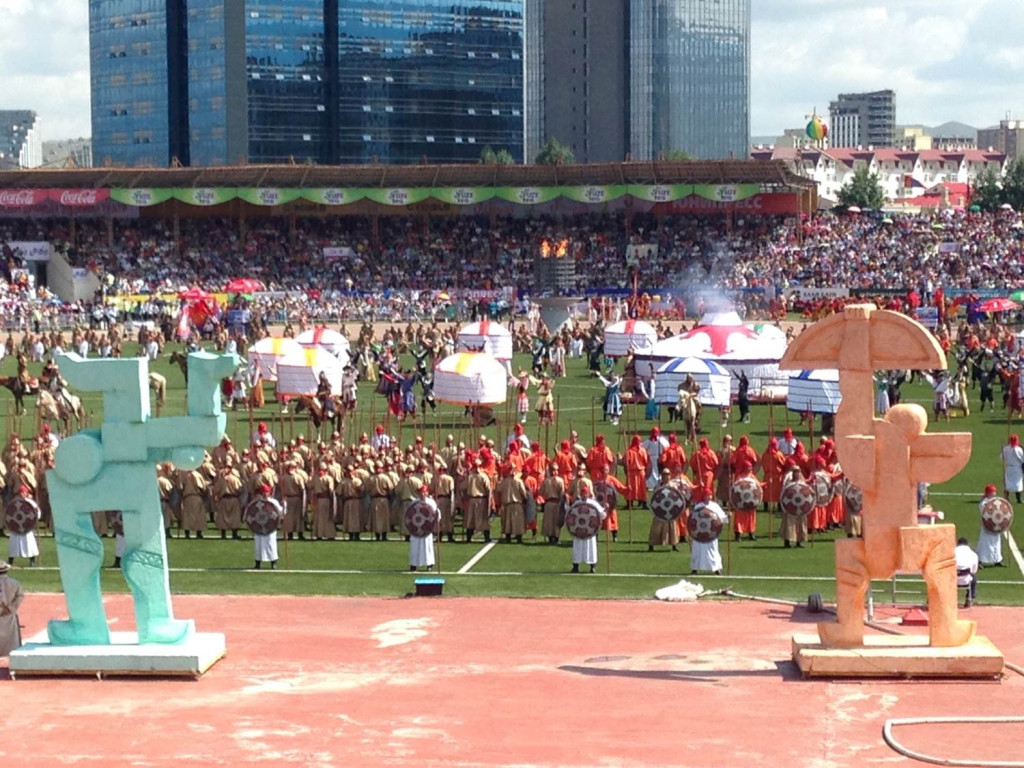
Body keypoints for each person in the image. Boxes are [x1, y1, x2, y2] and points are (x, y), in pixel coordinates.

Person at [570, 484, 606, 574]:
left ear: (588, 494)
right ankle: (575, 566)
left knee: (591, 548)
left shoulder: (593, 504)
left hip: (589, 531)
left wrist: (606, 509)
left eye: (586, 493)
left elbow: (602, 515)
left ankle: (592, 567)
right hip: (578, 531)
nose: (584, 495)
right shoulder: (577, 504)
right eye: (583, 493)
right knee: (577, 548)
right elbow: (571, 515)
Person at [689, 488, 725, 575]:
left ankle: (716, 569)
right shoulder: (699, 506)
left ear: (711, 496)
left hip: (711, 534)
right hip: (699, 534)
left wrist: (727, 516)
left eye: (709, 495)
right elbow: (693, 518)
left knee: (713, 551)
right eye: (706, 495)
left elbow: (721, 518)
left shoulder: (715, 506)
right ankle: (695, 569)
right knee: (697, 551)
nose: (707, 497)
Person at [251, 485, 283, 570]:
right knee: (258, 545)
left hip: (270, 527)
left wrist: (284, 506)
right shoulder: (257, 502)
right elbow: (252, 512)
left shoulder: (273, 502)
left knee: (271, 544)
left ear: (269, 492)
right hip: (259, 526)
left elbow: (280, 512)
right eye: (264, 492)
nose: (265, 494)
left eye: (267, 492)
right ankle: (258, 563)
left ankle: (273, 563)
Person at [7, 486, 40, 567]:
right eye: (21, 492)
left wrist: (35, 518)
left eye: (23, 492)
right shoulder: (14, 502)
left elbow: (37, 512)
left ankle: (32, 561)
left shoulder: (30, 503)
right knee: (14, 544)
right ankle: (10, 561)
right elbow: (10, 513)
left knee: (29, 544)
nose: (22, 494)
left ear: (26, 493)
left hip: (26, 528)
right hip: (16, 528)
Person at [408, 485, 437, 572]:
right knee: (414, 546)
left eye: (424, 492)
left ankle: (429, 564)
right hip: (416, 529)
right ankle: (413, 564)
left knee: (427, 546)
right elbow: (410, 514)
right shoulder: (414, 502)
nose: (422, 494)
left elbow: (434, 514)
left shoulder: (431, 502)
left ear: (427, 493)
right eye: (421, 492)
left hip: (426, 528)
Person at [977, 485, 1006, 567]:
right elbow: (988, 513)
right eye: (992, 492)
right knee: (985, 543)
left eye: (994, 492)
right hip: (987, 526)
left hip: (996, 525)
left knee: (996, 542)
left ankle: (997, 560)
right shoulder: (984, 503)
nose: (994, 494)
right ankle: (980, 560)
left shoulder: (996, 501)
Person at [0, 560, 24, 656]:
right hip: (8, 614)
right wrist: (12, 608)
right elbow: (20, 596)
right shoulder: (14, 583)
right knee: (11, 639)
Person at [955, 536, 979, 608]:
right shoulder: (973, 554)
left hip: (951, 580)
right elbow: (974, 570)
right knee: (974, 577)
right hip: (966, 579)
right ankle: (969, 597)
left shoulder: (951, 552)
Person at [1002, 434, 1024, 503]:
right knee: (1018, 483)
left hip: (1009, 468)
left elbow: (1002, 458)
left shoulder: (1006, 449)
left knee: (1008, 482)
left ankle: (1006, 497)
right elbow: (1023, 459)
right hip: (1017, 468)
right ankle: (1019, 498)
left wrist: (1003, 450)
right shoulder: (1019, 449)